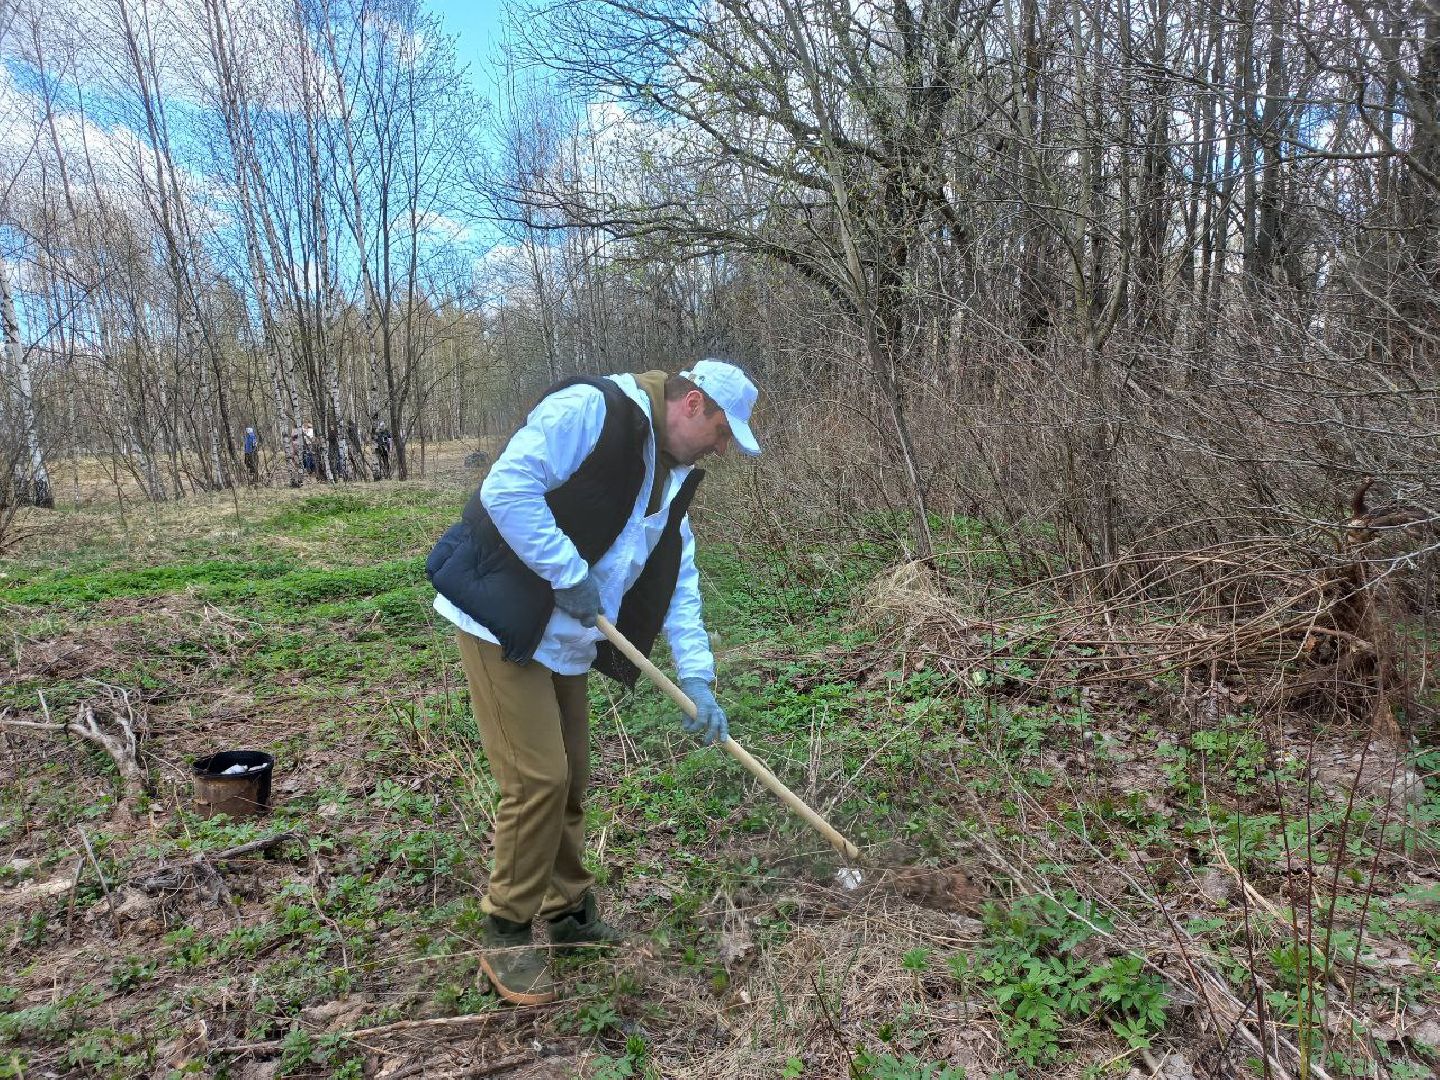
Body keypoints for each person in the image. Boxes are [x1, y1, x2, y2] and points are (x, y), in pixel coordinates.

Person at [426, 359, 761, 1005]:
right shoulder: (592, 410)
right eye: (721, 431)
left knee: (571, 780)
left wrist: (698, 678)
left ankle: (569, 914)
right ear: (692, 403)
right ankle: (505, 928)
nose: (722, 448)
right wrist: (564, 569)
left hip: (567, 638)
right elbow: (506, 488)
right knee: (537, 781)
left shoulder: (673, 480)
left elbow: (678, 582)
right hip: (503, 621)